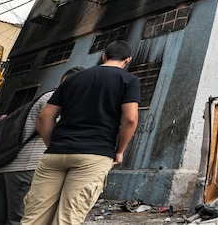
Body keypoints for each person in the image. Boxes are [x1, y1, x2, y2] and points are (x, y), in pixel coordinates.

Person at [21, 41, 141, 225]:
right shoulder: (128, 80)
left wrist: (52, 144)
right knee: (68, 218)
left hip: (56, 152)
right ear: (128, 60)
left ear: (103, 56)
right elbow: (130, 119)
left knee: (33, 218)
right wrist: (119, 150)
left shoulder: (72, 79)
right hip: (95, 153)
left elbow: (45, 116)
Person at [0, 67, 83, 225]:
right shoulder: (54, 99)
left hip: (9, 167)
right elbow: (42, 124)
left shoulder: (45, 97)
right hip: (25, 167)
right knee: (20, 218)